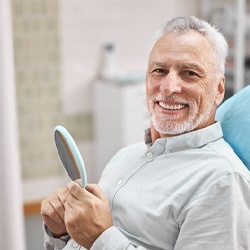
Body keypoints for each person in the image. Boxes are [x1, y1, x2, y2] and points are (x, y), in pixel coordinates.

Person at [41, 16, 250, 250]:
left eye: (189, 73)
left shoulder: (222, 181)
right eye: (159, 71)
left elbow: (97, 239)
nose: (169, 87)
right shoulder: (125, 156)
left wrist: (101, 238)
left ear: (219, 89)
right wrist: (61, 233)